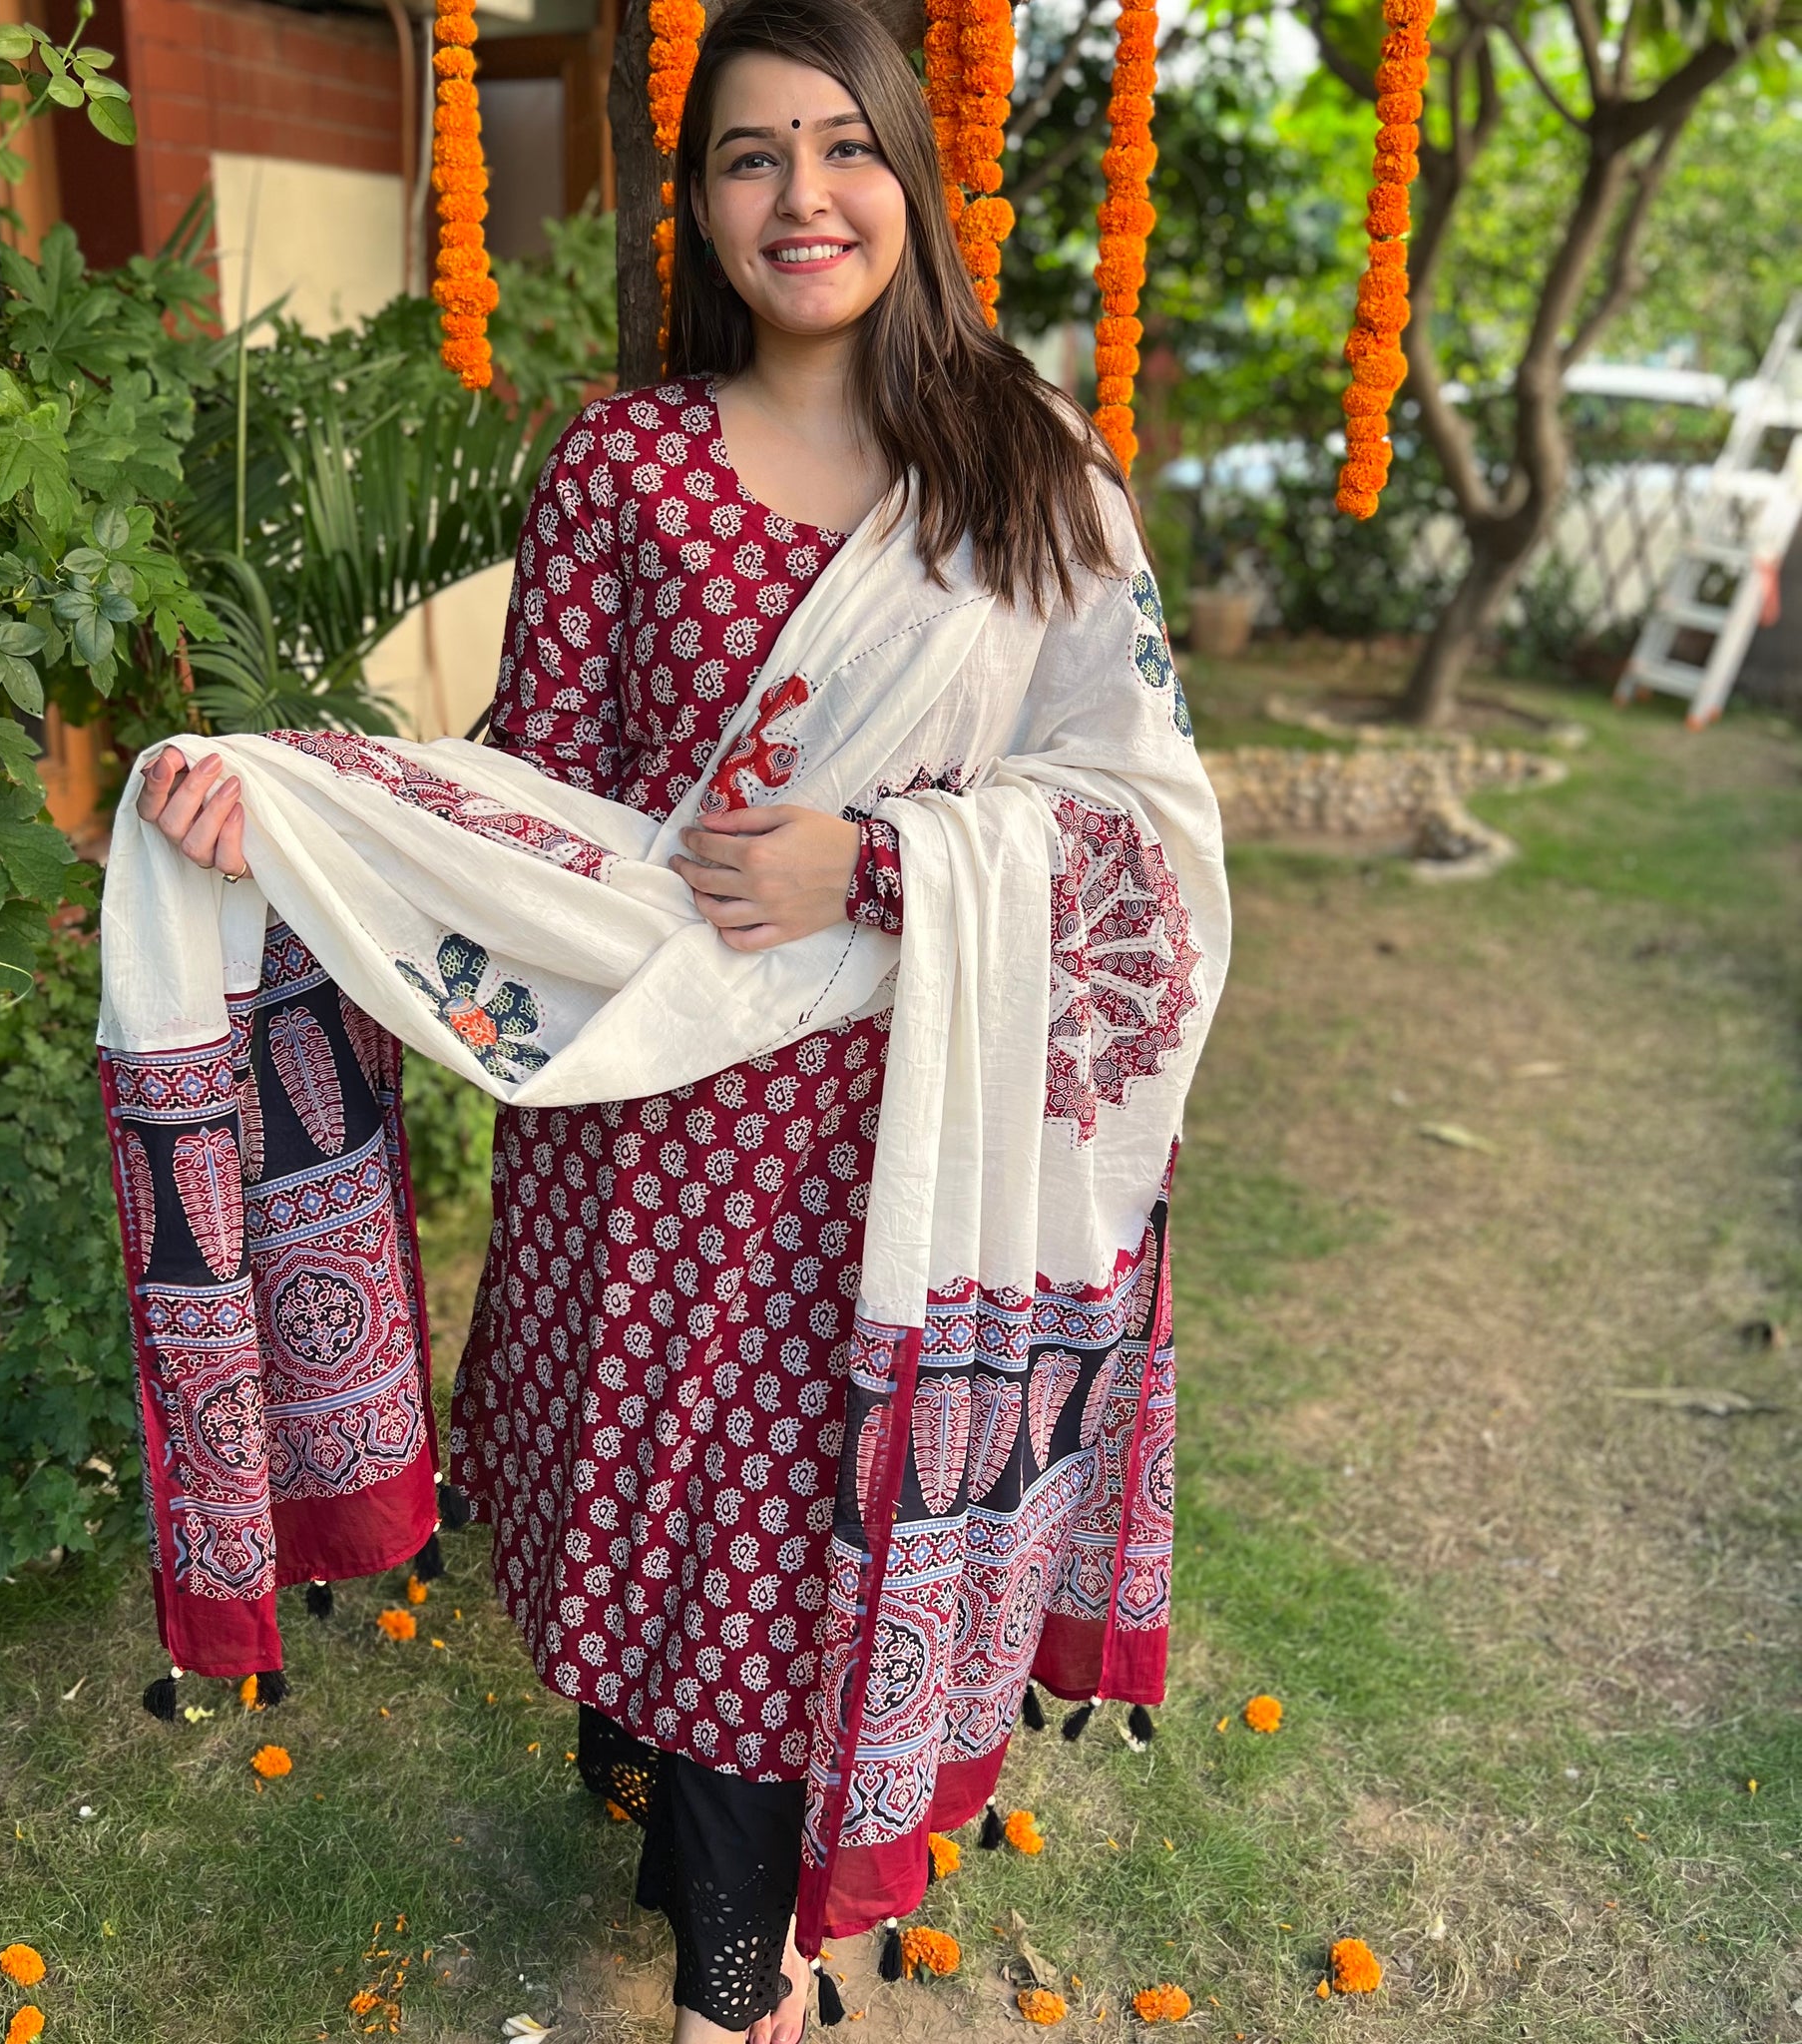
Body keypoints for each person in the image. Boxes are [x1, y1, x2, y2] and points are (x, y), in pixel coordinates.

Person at [120, 2, 1226, 2039]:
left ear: (912, 170)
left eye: (840, 147)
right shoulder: (626, 459)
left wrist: (878, 860)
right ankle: (740, 1925)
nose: (800, 198)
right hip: (650, 1138)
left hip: (903, 1141)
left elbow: (1143, 821)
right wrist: (277, 807)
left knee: (800, 1539)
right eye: (745, 156)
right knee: (691, 1540)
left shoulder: (1026, 462)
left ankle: (749, 1988)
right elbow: (531, 789)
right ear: (696, 203)